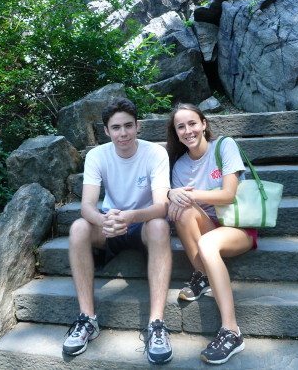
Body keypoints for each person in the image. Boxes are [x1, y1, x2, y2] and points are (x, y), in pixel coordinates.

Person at [63, 97, 173, 365]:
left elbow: (162, 206)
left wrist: (132, 216)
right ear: (106, 131)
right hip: (110, 223)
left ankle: (156, 324)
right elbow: (87, 206)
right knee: (78, 228)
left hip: (143, 222)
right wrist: (103, 222)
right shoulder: (97, 155)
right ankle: (87, 319)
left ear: (138, 126)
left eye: (128, 126)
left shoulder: (155, 153)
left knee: (160, 226)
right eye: (116, 128)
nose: (122, 133)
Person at [166, 103, 258, 365]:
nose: (188, 130)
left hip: (237, 226)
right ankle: (203, 275)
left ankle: (232, 331)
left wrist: (188, 194)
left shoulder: (224, 146)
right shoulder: (180, 166)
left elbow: (228, 195)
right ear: (176, 132)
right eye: (180, 126)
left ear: (204, 124)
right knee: (181, 211)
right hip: (208, 224)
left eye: (192, 123)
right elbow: (177, 204)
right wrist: (172, 194)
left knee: (204, 237)